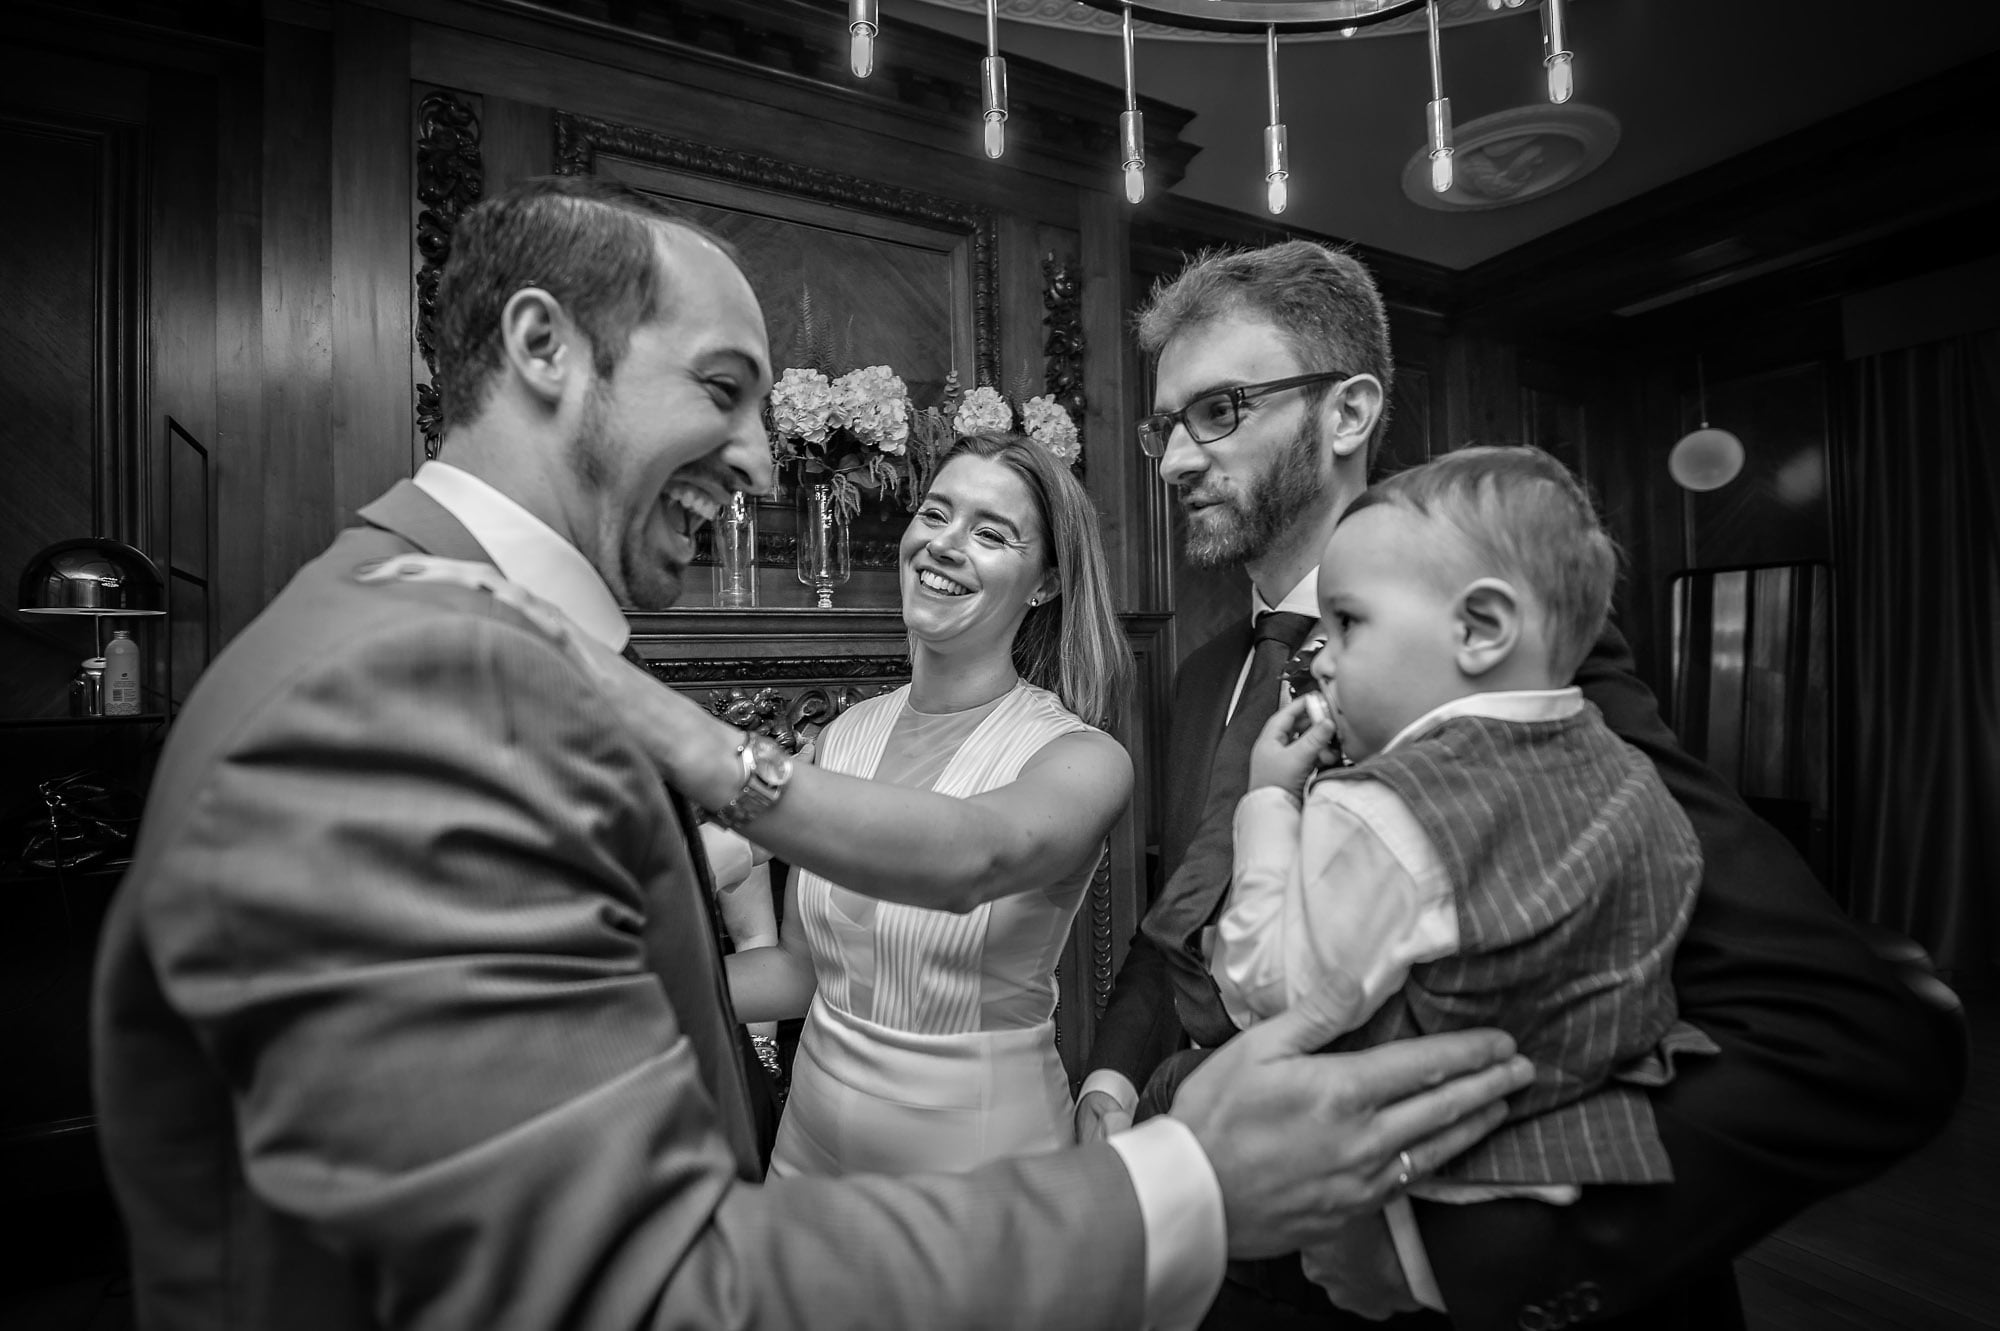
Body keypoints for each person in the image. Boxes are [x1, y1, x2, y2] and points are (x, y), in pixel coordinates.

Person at [90, 177, 1534, 1330]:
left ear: (1041, 582)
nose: (768, 459)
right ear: (542, 349)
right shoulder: (418, 673)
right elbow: (623, 1274)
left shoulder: (1084, 738)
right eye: (722, 387)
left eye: (993, 528)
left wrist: (699, 751)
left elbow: (987, 862)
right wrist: (1189, 1178)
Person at [1073, 240, 1965, 1329]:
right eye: (1163, 424)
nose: (1169, 458)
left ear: (1346, 412)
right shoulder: (1210, 669)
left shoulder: (1517, 665)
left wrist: (1463, 1251)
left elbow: (1846, 1032)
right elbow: (1182, 922)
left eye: (1218, 409)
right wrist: (1110, 1083)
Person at [1202, 446, 1713, 1315]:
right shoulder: (1637, 784)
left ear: (1480, 628)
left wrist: (1268, 806)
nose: (1322, 658)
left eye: (1349, 623)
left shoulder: (1383, 806)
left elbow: (1272, 992)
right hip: (1585, 1184)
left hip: (1408, 1193)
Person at [711, 430, 1135, 1178]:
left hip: (976, 1167)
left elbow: (974, 852)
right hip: (806, 1157)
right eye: (935, 514)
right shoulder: (843, 737)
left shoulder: (1081, 759)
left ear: (1044, 583)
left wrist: (725, 805)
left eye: (991, 532)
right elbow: (802, 974)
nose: (943, 543)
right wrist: (647, 987)